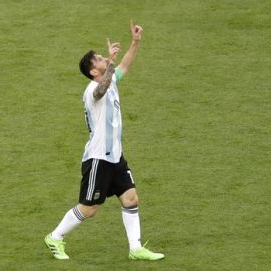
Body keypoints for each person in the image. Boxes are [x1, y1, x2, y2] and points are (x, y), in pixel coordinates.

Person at [44, 20, 164, 261]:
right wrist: (110, 64)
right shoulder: (92, 90)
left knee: (130, 198)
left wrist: (135, 42)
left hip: (115, 156)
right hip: (98, 158)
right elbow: (102, 88)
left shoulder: (111, 81)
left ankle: (135, 248)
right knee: (89, 209)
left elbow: (124, 67)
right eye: (99, 59)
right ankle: (55, 237)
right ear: (93, 71)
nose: (104, 59)